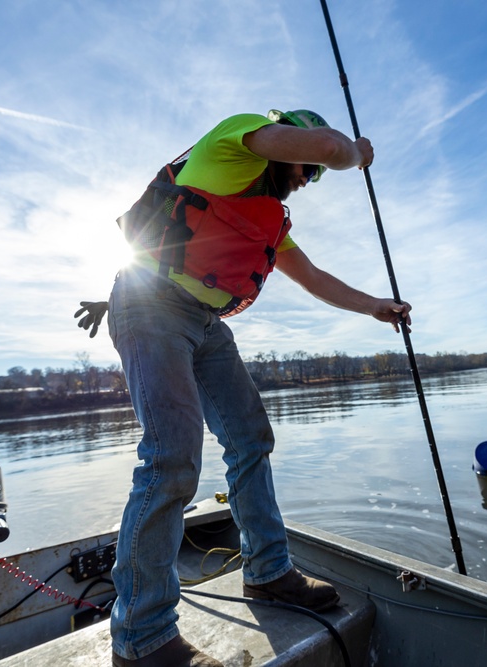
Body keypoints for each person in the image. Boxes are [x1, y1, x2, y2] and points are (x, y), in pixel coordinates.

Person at [76, 109, 411, 667]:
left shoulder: (270, 219)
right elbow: (331, 149)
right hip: (150, 307)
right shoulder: (242, 138)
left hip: (206, 323)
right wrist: (359, 153)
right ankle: (143, 639)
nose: (308, 181)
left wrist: (375, 305)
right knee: (171, 459)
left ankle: (268, 571)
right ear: (292, 140)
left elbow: (316, 279)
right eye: (307, 171)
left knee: (252, 437)